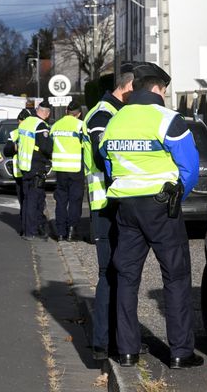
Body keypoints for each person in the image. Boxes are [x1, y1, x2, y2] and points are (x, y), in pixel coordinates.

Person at [99, 62, 203, 369]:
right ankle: (181, 352)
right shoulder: (169, 120)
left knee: (127, 277)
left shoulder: (114, 121)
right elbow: (191, 169)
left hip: (126, 208)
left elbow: (107, 162)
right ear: (158, 89)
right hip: (161, 207)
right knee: (176, 276)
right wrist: (174, 197)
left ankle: (127, 351)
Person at [83, 64, 135, 361]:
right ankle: (103, 344)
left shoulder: (116, 112)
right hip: (105, 205)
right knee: (109, 274)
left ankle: (115, 340)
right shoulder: (103, 113)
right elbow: (104, 159)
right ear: (127, 87)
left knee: (119, 272)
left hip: (115, 202)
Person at [12, 101, 53, 241]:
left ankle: (25, 230)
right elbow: (46, 148)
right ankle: (31, 232)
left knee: (26, 199)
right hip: (36, 167)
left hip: (24, 167)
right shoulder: (41, 126)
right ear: (47, 113)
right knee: (34, 201)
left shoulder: (26, 123)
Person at [50, 101, 85, 241]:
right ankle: (72, 231)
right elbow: (85, 145)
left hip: (59, 168)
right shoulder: (80, 126)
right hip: (75, 168)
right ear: (79, 114)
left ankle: (60, 232)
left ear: (66, 111)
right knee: (75, 201)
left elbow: (50, 144)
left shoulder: (56, 125)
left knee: (61, 201)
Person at [3, 108, 30, 236]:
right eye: (19, 122)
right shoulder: (14, 133)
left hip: (29, 171)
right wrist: (15, 146)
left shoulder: (33, 130)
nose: (20, 124)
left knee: (29, 201)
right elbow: (7, 151)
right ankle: (25, 227)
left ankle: (28, 226)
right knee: (24, 200)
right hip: (19, 172)